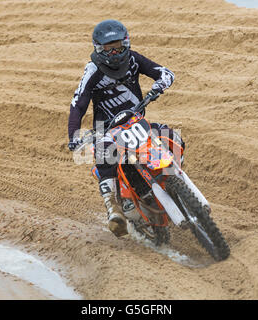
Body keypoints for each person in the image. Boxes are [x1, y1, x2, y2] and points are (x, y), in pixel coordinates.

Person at [67, 19, 183, 237]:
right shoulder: (93, 70)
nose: (114, 53)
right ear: (99, 49)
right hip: (105, 129)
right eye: (108, 49)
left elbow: (164, 72)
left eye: (118, 47)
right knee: (105, 157)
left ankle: (175, 182)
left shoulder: (133, 59)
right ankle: (113, 209)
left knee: (172, 137)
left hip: (136, 120)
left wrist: (159, 85)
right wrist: (73, 135)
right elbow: (78, 103)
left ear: (126, 43)